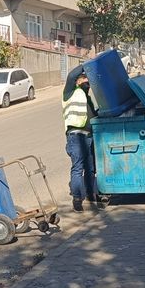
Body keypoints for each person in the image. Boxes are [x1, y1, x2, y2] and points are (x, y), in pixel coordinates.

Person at [62, 71, 99, 212]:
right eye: (84, 79)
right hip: (76, 136)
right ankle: (77, 199)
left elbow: (93, 114)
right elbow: (71, 76)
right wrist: (88, 66)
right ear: (77, 81)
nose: (87, 82)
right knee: (78, 168)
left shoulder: (86, 97)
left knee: (90, 168)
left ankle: (90, 195)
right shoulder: (69, 92)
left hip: (89, 136)